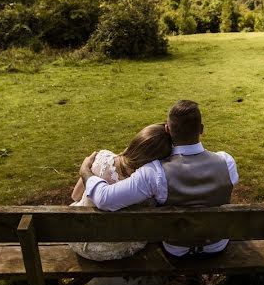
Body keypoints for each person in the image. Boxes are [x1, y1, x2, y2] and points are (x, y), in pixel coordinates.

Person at [80, 100, 238, 258]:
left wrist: (86, 172)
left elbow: (105, 198)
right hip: (217, 245)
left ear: (168, 130)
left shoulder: (154, 172)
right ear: (201, 129)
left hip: (175, 250)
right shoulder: (226, 162)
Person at [69, 123, 171, 261]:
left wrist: (85, 170)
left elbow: (75, 196)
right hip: (117, 248)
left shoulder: (101, 157)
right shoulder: (148, 184)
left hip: (79, 239)